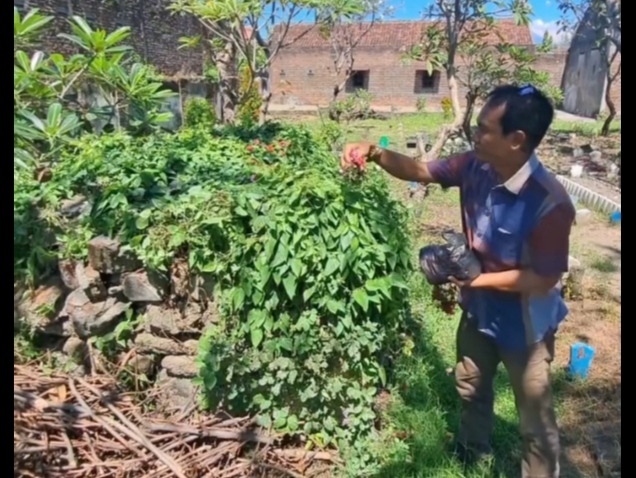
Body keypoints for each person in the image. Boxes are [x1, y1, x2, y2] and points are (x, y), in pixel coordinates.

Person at [341, 84, 575, 478]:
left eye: (484, 129)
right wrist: (376, 152)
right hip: (479, 313)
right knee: (471, 386)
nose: (474, 134)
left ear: (516, 140)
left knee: (535, 421)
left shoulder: (550, 202)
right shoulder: (476, 166)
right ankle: (471, 454)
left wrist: (472, 280)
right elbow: (420, 170)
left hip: (526, 326)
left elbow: (542, 278)